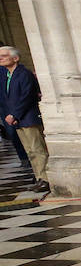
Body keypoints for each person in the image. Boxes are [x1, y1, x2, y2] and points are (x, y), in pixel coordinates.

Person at [0, 47, 49, 192]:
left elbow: (27, 97)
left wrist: (14, 114)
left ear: (15, 58)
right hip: (18, 119)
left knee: (37, 149)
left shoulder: (24, 74)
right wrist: (11, 116)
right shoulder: (8, 75)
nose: (0, 59)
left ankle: (46, 178)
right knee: (30, 151)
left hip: (28, 117)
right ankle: (39, 176)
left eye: (3, 56)